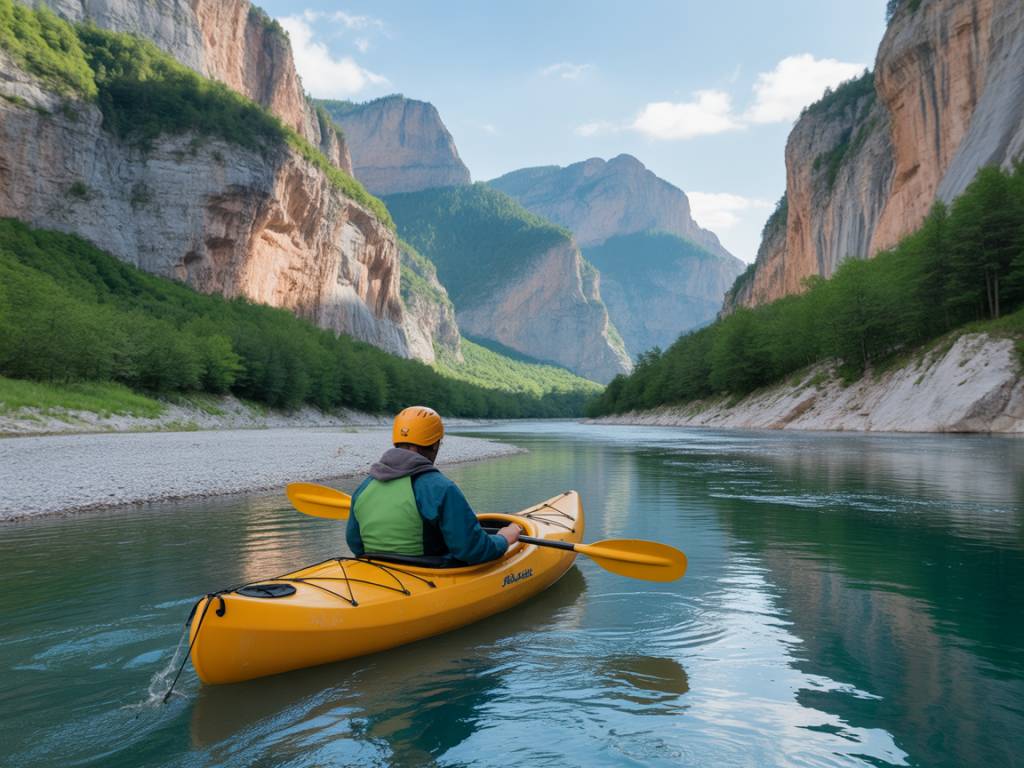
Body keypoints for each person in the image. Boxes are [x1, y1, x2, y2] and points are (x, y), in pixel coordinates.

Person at [346, 406, 521, 565]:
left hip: (378, 570)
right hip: (428, 574)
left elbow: (355, 544)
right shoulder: (441, 488)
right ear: (436, 444)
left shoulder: (364, 487)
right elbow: (473, 551)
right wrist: (504, 538)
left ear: (396, 442)